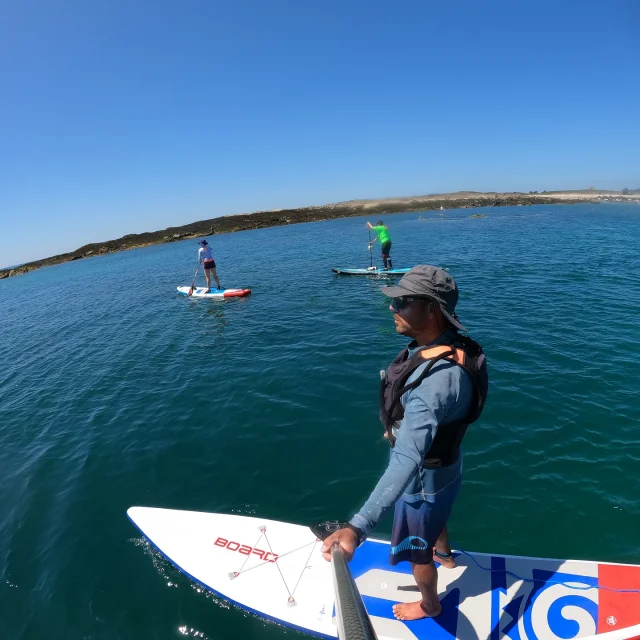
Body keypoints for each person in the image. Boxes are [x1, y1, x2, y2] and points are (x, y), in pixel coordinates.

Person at [320, 265, 488, 620]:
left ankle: (430, 603)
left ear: (431, 310)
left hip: (423, 482)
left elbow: (407, 460)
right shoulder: (457, 350)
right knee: (436, 519)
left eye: (403, 302)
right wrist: (399, 427)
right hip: (450, 467)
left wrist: (356, 527)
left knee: (417, 551)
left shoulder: (434, 384)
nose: (392, 308)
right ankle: (445, 553)